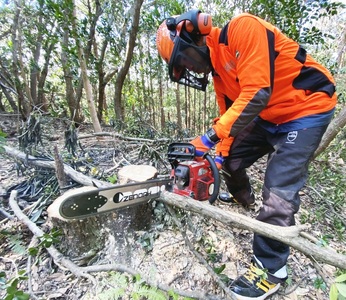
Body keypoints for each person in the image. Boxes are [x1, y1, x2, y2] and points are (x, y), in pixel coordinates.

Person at [156, 8, 337, 300]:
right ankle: (244, 199)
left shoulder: (242, 29)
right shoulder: (218, 76)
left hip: (307, 107)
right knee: (231, 161)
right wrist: (218, 155)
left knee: (278, 188)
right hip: (269, 114)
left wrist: (208, 138)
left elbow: (257, 92)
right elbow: (228, 115)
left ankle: (271, 271)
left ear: (196, 36)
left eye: (186, 60)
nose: (190, 68)